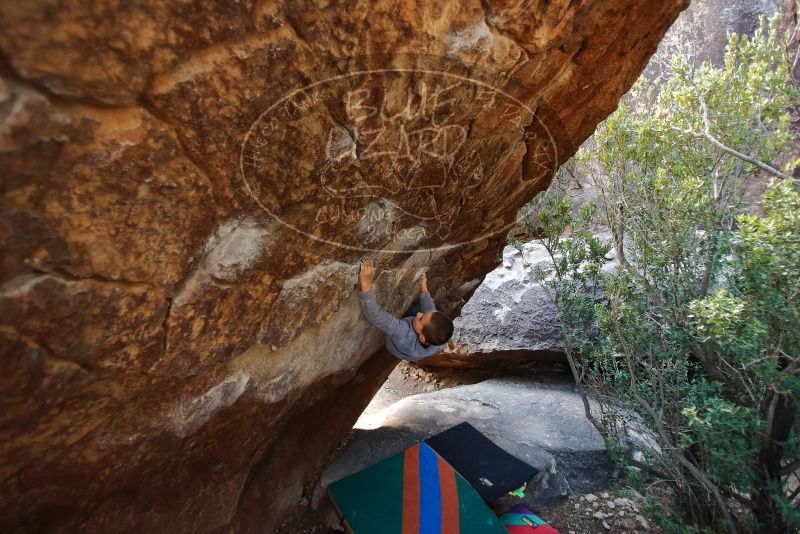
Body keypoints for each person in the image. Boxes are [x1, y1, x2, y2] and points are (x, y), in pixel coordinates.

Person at [356, 258, 454, 361]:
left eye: (421, 319)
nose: (419, 314)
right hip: (412, 351)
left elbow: (376, 316)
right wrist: (424, 289)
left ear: (422, 337)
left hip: (395, 346)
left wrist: (366, 285)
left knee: (417, 310)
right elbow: (430, 311)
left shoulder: (403, 332)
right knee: (424, 312)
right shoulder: (437, 341)